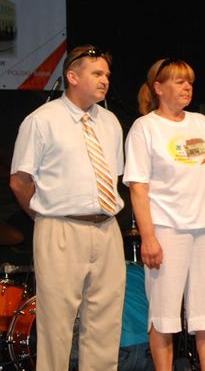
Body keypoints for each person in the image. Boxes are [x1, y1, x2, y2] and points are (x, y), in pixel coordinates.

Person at [9, 45, 126, 370]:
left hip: (107, 228)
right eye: (97, 73)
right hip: (60, 227)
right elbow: (19, 181)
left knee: (105, 323)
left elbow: (112, 177)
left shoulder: (110, 122)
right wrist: (44, 216)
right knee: (57, 325)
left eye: (107, 74)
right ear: (72, 77)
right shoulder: (42, 120)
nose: (105, 80)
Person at [124, 58, 205, 371]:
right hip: (167, 230)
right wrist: (148, 237)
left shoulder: (201, 123)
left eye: (190, 82)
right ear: (159, 88)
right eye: (179, 81)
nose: (187, 87)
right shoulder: (145, 127)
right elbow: (138, 187)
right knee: (164, 316)